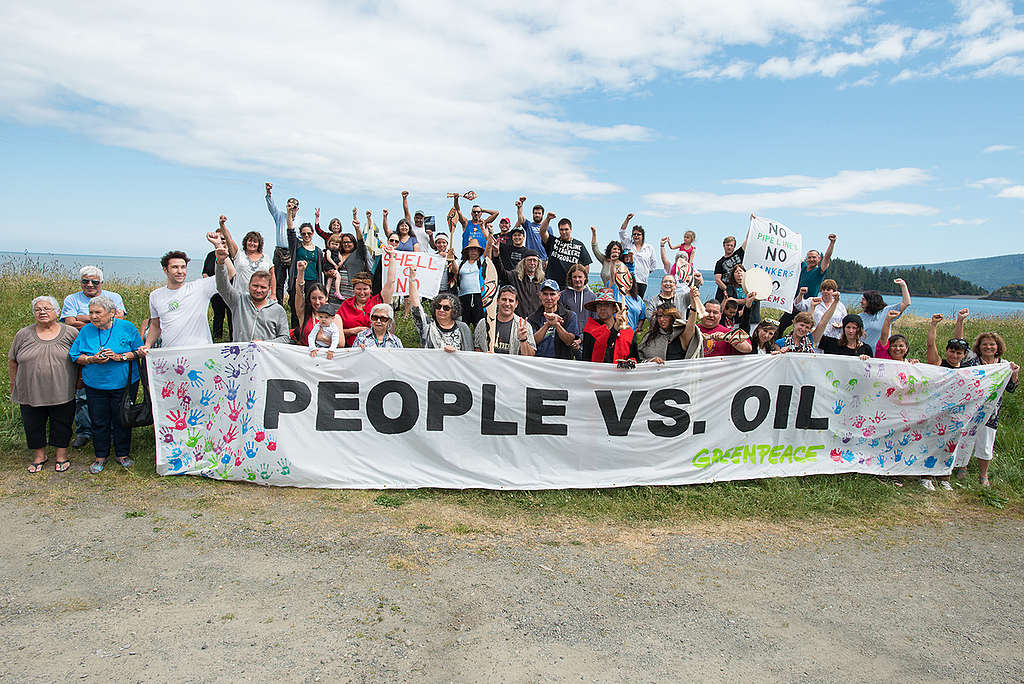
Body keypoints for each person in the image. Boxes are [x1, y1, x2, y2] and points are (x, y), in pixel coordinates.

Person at [69, 295, 145, 474]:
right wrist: (91, 359)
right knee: (99, 420)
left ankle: (122, 454)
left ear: (111, 313)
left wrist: (119, 357)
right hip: (95, 385)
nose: (93, 316)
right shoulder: (86, 330)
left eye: (98, 312)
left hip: (124, 384)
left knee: (122, 419)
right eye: (91, 313)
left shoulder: (127, 327)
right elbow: (74, 355)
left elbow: (140, 351)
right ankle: (100, 456)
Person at [9, 296, 80, 472]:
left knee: (62, 422)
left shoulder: (71, 332)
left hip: (62, 388)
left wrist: (80, 381)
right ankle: (39, 456)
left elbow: (80, 359)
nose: (42, 312)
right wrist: (13, 384)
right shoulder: (23, 334)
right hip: (30, 390)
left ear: (57, 312)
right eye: (38, 309)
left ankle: (61, 455)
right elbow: (13, 360)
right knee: (33, 423)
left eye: (47, 309)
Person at [61, 265, 126, 449]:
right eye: (85, 281)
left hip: (112, 349)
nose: (90, 284)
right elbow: (70, 322)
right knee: (82, 394)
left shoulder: (114, 297)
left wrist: (83, 317)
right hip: (82, 345)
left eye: (94, 282)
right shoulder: (71, 299)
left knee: (114, 397)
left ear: (101, 283)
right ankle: (84, 431)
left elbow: (119, 318)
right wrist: (100, 317)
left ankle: (113, 432)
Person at [955, 330, 1020, 487]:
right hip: (971, 409)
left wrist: (1015, 374)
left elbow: (1011, 389)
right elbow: (959, 342)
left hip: (991, 413)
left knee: (986, 443)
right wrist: (960, 321)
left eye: (992, 344)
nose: (988, 347)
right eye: (985, 344)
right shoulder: (973, 361)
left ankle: (983, 475)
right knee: (965, 438)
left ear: (998, 347)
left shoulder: (1004, 365)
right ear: (979, 346)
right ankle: (961, 467)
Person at [146, 247, 221, 349]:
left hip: (200, 353)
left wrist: (222, 255)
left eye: (183, 267)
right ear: (165, 270)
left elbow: (230, 274)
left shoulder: (200, 287)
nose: (180, 271)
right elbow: (155, 325)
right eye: (175, 267)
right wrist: (147, 345)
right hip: (170, 353)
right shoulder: (155, 295)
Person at [214, 244, 290, 344]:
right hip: (240, 356)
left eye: (263, 287)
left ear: (269, 288)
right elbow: (222, 286)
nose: (258, 290)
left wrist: (264, 344)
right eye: (255, 286)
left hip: (266, 357)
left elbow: (285, 338)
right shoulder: (238, 301)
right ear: (249, 285)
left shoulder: (278, 310)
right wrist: (220, 263)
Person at [338, 245, 399, 347]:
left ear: (370, 289)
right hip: (350, 351)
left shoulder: (378, 301)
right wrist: (353, 331)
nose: (362, 292)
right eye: (358, 289)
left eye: (365, 289)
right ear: (353, 289)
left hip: (376, 351)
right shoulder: (346, 304)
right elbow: (335, 330)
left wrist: (392, 256)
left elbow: (391, 281)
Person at [777, 234, 837, 332]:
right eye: (809, 257)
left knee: (802, 331)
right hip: (795, 304)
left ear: (819, 259)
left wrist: (832, 243)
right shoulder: (803, 266)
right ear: (806, 259)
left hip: (808, 306)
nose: (811, 260)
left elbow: (827, 257)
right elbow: (792, 255)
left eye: (814, 257)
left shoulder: (819, 272)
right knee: (780, 327)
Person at [409, 268, 473, 352]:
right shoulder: (428, 326)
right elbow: (416, 305)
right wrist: (412, 279)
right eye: (438, 307)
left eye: (446, 308)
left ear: (454, 310)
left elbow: (469, 353)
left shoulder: (463, 327)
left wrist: (455, 352)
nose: (441, 310)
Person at [216, 215, 276, 296]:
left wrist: (273, 294)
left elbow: (272, 276)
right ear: (245, 242)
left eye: (255, 241)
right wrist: (222, 225)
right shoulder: (238, 254)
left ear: (259, 244)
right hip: (240, 296)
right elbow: (229, 239)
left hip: (261, 297)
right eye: (250, 241)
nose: (252, 243)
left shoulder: (266, 257)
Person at [265, 182, 303, 302]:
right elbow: (271, 207)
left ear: (297, 208)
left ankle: (293, 304)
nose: (291, 208)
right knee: (278, 281)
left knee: (292, 281)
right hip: (280, 251)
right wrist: (269, 193)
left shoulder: (300, 221)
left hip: (293, 252)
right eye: (289, 205)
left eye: (294, 206)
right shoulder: (280, 215)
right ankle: (278, 305)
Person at [490, 233, 544, 317]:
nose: (532, 263)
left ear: (538, 263)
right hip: (518, 320)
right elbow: (501, 272)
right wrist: (496, 255)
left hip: (536, 321)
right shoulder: (515, 276)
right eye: (529, 260)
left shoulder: (542, 281)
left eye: (534, 260)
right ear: (524, 262)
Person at [473, 286, 536, 355]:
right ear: (497, 301)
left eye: (511, 301)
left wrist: (523, 340)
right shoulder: (483, 323)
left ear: (516, 304)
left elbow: (530, 356)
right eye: (504, 299)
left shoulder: (524, 326)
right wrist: (485, 357)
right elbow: (477, 348)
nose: (507, 304)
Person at [581, 289, 638, 364]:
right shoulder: (591, 329)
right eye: (599, 305)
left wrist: (631, 361)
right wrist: (615, 328)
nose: (602, 308)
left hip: (621, 374)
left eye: (606, 305)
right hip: (597, 373)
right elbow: (586, 358)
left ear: (614, 309)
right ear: (596, 309)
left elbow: (634, 356)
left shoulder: (628, 332)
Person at [527, 279, 580, 360]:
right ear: (540, 296)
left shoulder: (570, 316)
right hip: (538, 363)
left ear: (558, 296)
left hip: (561, 364)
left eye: (552, 294)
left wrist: (556, 325)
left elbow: (569, 341)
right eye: (545, 294)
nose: (549, 298)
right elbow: (532, 342)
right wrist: (547, 324)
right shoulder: (532, 318)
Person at [858, 278, 911, 350]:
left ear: (871, 301)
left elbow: (906, 303)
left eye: (863, 299)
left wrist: (903, 285)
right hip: (863, 354)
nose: (860, 302)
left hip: (882, 354)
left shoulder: (886, 312)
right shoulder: (859, 317)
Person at [541, 216, 591, 289]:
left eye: (566, 229)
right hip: (552, 285)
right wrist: (548, 219)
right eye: (561, 230)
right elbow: (542, 232)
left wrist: (582, 281)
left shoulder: (579, 245)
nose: (564, 232)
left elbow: (586, 265)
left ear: (571, 229)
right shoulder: (553, 242)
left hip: (570, 286)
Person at [795, 279, 847, 346]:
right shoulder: (813, 300)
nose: (825, 291)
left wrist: (840, 325)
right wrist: (801, 294)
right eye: (823, 289)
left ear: (834, 291)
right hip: (815, 339)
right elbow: (798, 305)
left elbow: (845, 321)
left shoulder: (840, 306)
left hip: (833, 339)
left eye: (828, 290)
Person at [618, 215, 657, 298]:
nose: (636, 236)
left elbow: (653, 265)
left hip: (642, 280)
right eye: (634, 234)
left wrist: (645, 271)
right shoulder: (628, 244)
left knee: (639, 301)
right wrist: (627, 219)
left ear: (642, 236)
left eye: (638, 234)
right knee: (627, 300)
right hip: (628, 278)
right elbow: (622, 232)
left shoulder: (649, 248)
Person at [457, 238, 489, 328]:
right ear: (467, 251)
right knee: (464, 324)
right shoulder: (461, 263)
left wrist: (490, 234)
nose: (473, 251)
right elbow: (455, 273)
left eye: (475, 249)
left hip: (478, 296)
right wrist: (451, 258)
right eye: (471, 249)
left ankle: (480, 341)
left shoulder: (482, 261)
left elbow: (489, 248)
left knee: (479, 323)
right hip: (463, 297)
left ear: (479, 251)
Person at [514, 196, 551, 261]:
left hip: (543, 259)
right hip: (529, 257)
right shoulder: (528, 225)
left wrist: (548, 259)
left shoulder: (548, 227)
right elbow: (520, 218)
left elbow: (550, 244)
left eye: (539, 213)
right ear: (533, 214)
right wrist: (520, 206)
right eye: (535, 213)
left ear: (542, 215)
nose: (537, 215)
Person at [726, 263, 760, 332]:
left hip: (753, 319)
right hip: (738, 320)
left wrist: (745, 305)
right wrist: (745, 301)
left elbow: (756, 298)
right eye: (736, 272)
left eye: (740, 271)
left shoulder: (753, 286)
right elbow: (729, 300)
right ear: (733, 275)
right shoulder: (731, 287)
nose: (739, 273)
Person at [713, 235, 745, 302]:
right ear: (724, 246)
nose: (729, 247)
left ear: (734, 247)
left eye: (731, 245)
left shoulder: (738, 254)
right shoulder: (719, 262)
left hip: (739, 290)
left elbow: (747, 240)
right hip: (724, 292)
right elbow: (718, 280)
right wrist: (728, 290)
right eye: (727, 245)